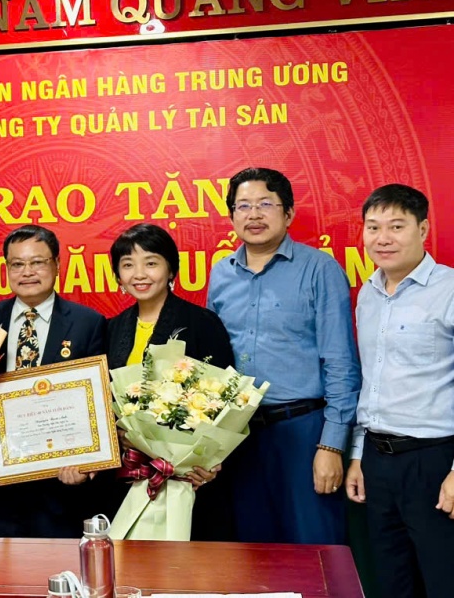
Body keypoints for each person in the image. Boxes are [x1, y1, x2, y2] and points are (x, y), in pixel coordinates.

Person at [207, 167, 360, 545]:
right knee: (253, 552)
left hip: (303, 431)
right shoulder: (221, 273)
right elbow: (213, 360)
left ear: (288, 213)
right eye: (243, 206)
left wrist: (331, 445)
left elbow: (341, 362)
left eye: (265, 204)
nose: (254, 215)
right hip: (239, 435)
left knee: (315, 548)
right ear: (232, 216)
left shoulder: (319, 269)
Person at [345, 184, 454, 598]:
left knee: (444, 580)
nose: (383, 238)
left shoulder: (449, 290)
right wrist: (358, 454)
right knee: (390, 582)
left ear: (422, 229)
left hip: (434, 461)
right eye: (373, 227)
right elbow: (369, 379)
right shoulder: (368, 295)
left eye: (396, 226)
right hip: (377, 461)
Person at [0, 224, 107, 537]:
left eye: (37, 262)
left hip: (59, 485)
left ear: (57, 265)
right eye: (17, 264)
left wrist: (88, 464)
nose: (27, 272)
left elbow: (98, 402)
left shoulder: (88, 323)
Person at [102, 223, 234, 540]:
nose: (139, 274)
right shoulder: (111, 329)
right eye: (128, 265)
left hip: (191, 478)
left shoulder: (202, 323)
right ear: (118, 276)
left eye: (151, 262)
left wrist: (210, 463)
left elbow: (226, 400)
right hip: (129, 473)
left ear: (171, 269)